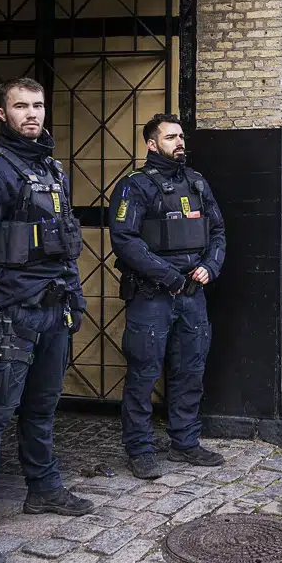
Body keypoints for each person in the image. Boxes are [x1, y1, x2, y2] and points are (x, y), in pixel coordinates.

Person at [0, 78, 94, 563]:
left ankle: (44, 488)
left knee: (42, 406)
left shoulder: (52, 169)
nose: (31, 114)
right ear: (1, 113)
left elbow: (67, 241)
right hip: (9, 314)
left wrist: (74, 297)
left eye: (37, 106)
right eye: (20, 106)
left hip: (53, 310)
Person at [110, 114, 227, 480]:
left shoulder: (196, 182)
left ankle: (185, 442)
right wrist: (170, 277)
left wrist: (211, 266)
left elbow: (218, 230)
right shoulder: (135, 186)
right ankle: (140, 450)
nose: (179, 142)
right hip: (152, 297)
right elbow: (125, 240)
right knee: (144, 374)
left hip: (193, 295)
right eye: (171, 137)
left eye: (181, 136)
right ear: (151, 144)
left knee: (190, 370)